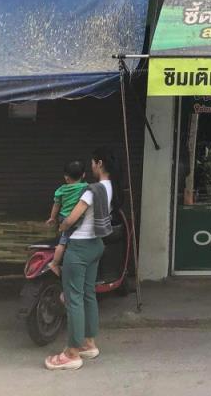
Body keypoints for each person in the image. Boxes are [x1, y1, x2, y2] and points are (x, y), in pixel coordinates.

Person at [44, 147, 120, 371]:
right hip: (96, 245)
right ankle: (89, 343)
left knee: (73, 298)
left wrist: (62, 226)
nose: (92, 166)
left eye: (93, 162)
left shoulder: (91, 191)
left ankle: (72, 353)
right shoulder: (110, 187)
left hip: (79, 247)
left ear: (99, 163)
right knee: (88, 295)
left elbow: (72, 218)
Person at [45, 160, 87, 277]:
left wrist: (52, 218)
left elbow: (56, 205)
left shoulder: (61, 190)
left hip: (63, 218)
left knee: (63, 241)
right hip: (77, 219)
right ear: (83, 175)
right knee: (66, 242)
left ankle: (57, 262)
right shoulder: (86, 187)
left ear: (66, 177)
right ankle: (54, 263)